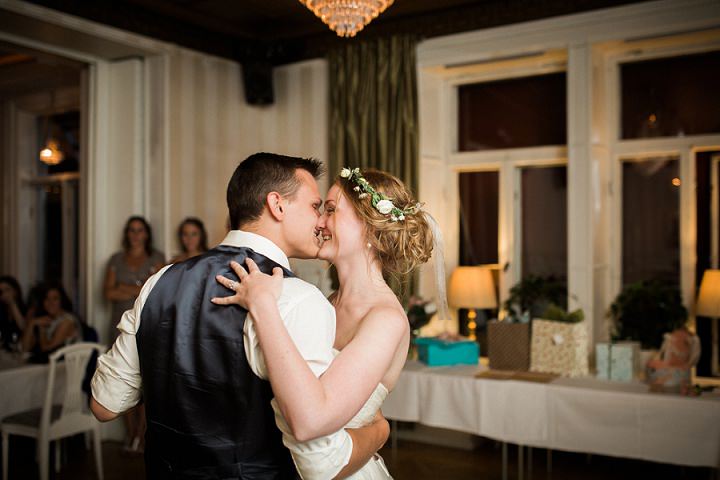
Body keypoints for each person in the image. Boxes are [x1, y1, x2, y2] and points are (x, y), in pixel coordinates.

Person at [90, 153, 389, 479]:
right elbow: (320, 459)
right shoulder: (300, 300)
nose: (320, 221)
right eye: (314, 206)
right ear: (277, 205)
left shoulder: (160, 281)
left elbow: (104, 405)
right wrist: (378, 431)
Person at [213, 167, 437, 478]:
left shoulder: (385, 319)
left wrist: (263, 308)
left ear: (371, 229)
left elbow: (313, 422)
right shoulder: (323, 302)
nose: (318, 222)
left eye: (330, 210)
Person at [103, 215, 164, 453]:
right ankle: (130, 434)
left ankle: (142, 434)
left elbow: (156, 291)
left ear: (146, 234)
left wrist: (125, 288)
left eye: (140, 230)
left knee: (145, 384)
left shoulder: (156, 257)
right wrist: (139, 287)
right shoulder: (116, 260)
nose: (136, 234)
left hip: (147, 325)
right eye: (132, 230)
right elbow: (108, 293)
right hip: (118, 326)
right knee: (122, 381)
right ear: (127, 234)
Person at [20, 282, 81, 361]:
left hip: (68, 367)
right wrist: (32, 323)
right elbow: (25, 348)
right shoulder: (46, 318)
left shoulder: (67, 321)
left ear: (61, 301)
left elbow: (47, 350)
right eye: (47, 299)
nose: (50, 303)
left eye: (55, 299)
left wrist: (42, 330)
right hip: (51, 365)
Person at [0, 276, 26, 350]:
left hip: (20, 349)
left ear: (15, 290)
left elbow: (23, 327)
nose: (4, 294)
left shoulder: (24, 308)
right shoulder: (2, 310)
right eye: (1, 291)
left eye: (7, 290)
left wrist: (12, 303)